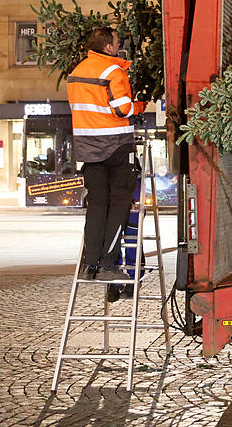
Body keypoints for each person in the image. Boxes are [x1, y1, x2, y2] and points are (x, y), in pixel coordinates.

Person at [67, 27, 147, 281]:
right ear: (108, 47)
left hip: (87, 149)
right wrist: (140, 105)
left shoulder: (76, 73)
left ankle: (90, 265)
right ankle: (109, 266)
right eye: (116, 42)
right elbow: (123, 109)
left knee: (97, 205)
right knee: (120, 203)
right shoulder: (113, 71)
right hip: (115, 146)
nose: (119, 46)